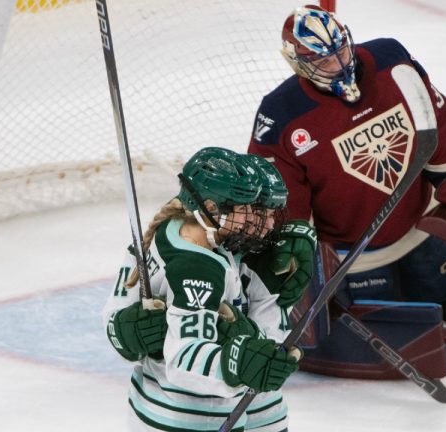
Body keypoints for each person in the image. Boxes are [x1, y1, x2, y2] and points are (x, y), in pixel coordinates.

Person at [247, 5, 446, 379]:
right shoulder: (281, 116)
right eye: (323, 61)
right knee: (393, 316)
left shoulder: (393, 65)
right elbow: (284, 215)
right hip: (353, 259)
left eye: (342, 50)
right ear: (296, 63)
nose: (340, 64)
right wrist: (301, 271)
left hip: (417, 231)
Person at [102, 147, 315, 431]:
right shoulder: (194, 264)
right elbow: (183, 358)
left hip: (251, 410)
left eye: (265, 210)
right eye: (250, 209)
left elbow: (274, 333)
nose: (265, 222)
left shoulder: (237, 245)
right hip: (184, 415)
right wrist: (123, 330)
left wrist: (256, 343)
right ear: (211, 209)